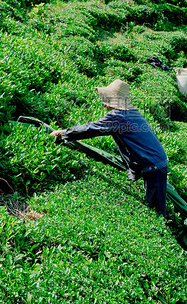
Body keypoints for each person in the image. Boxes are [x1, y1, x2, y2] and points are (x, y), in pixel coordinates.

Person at [50, 79, 168, 218]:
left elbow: (91, 129)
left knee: (156, 213)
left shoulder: (119, 116)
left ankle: (160, 231)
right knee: (155, 204)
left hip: (153, 166)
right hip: (155, 163)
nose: (104, 101)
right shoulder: (131, 113)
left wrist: (63, 133)